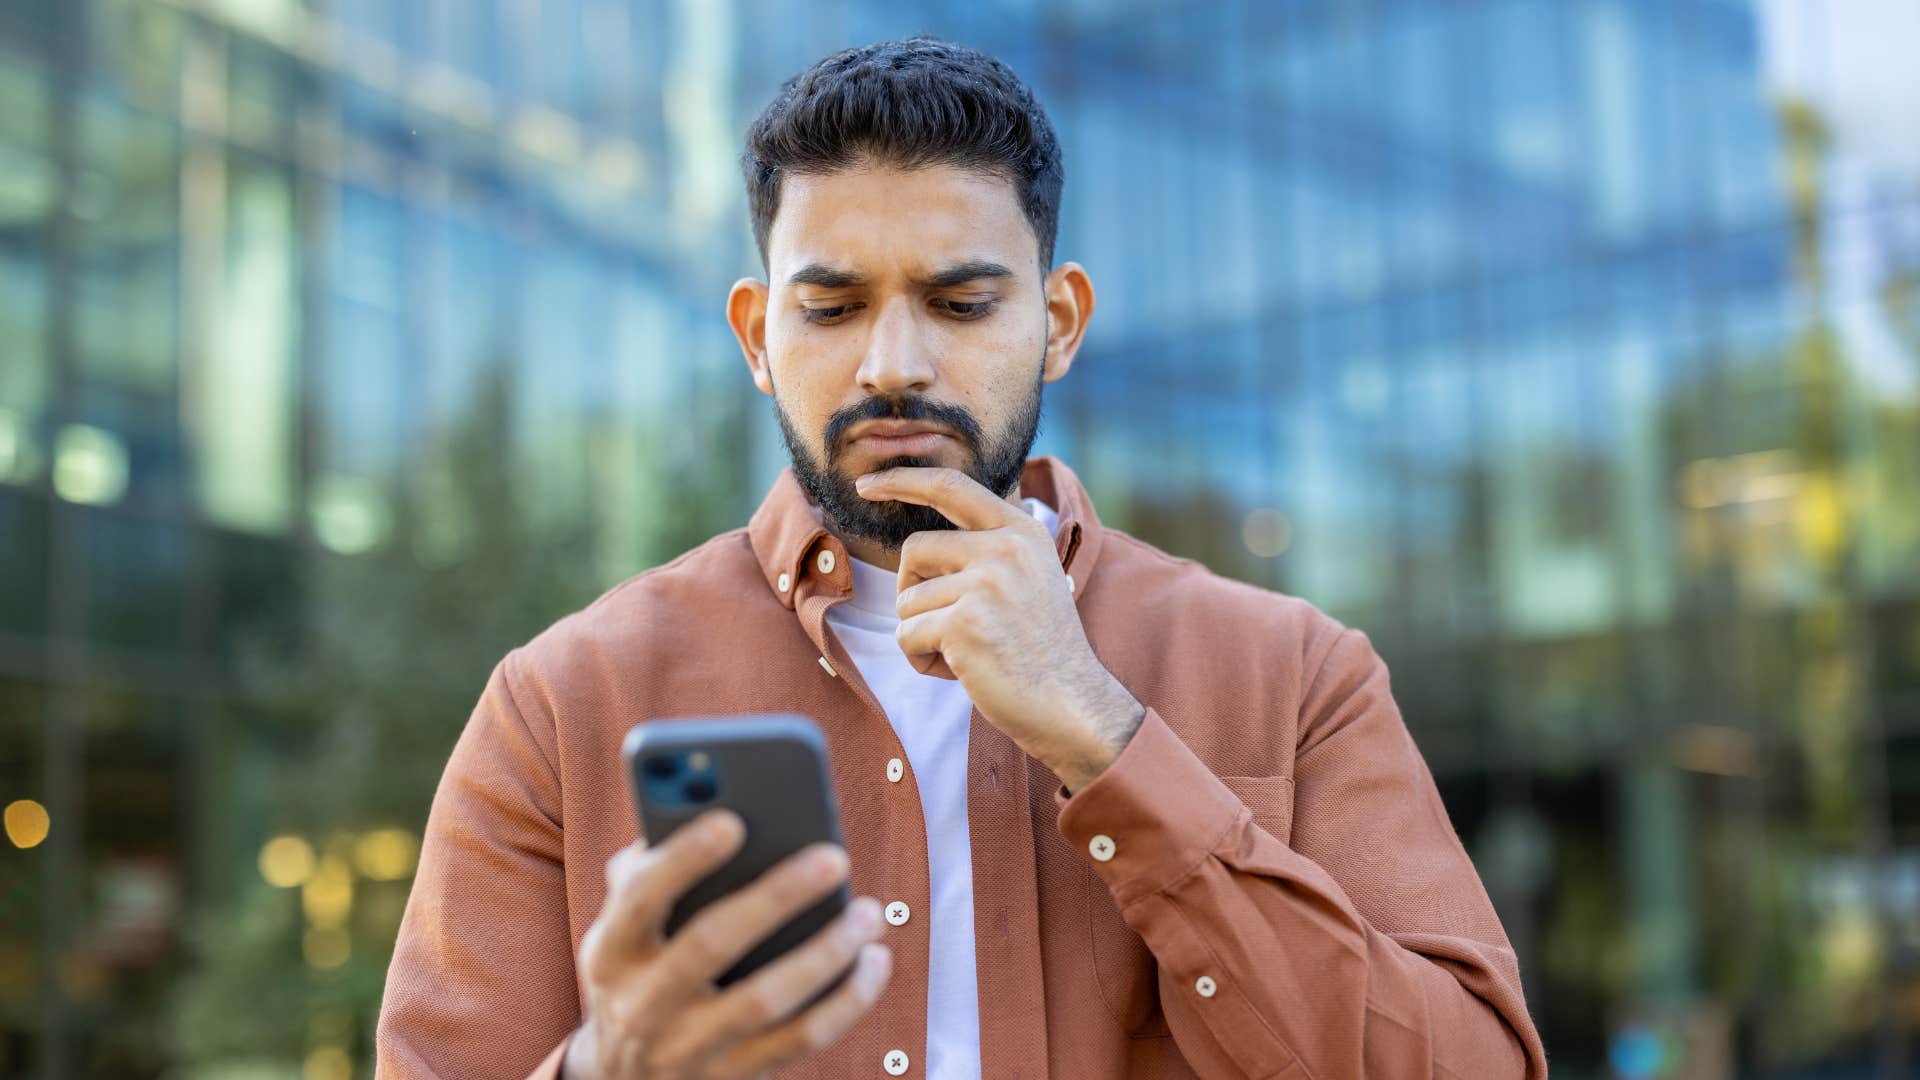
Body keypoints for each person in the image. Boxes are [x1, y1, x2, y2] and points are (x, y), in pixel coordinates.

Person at [375, 35, 1549, 1080]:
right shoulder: (563, 706)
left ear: (1060, 322)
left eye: (960, 301)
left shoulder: (1294, 677)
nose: (895, 362)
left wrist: (1106, 734)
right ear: (757, 337)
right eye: (831, 309)